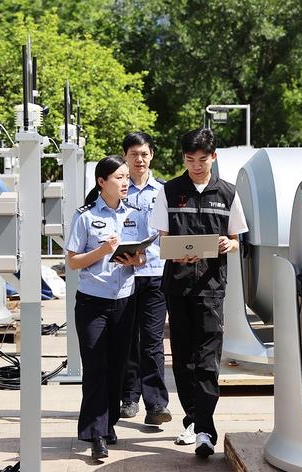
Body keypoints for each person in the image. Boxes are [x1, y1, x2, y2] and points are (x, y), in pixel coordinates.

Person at [148, 128, 248, 457]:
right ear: (183, 158)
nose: (196, 166)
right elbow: (162, 238)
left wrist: (228, 244)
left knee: (207, 360)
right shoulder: (169, 191)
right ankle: (193, 420)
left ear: (213, 157)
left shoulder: (228, 193)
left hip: (212, 287)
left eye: (202, 160)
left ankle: (204, 429)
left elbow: (236, 239)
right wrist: (176, 252)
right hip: (177, 285)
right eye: (190, 160)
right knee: (183, 359)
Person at [66, 155, 148, 460]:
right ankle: (95, 433)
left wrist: (135, 259)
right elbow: (73, 262)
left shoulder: (135, 214)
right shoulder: (85, 216)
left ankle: (108, 422)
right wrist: (102, 250)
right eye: (119, 177)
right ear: (102, 182)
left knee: (117, 367)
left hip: (124, 299)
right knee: (95, 368)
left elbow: (142, 257)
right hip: (92, 302)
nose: (125, 182)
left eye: (127, 177)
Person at [119, 132, 172, 425]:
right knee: (128, 339)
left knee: (152, 341)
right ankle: (129, 397)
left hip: (155, 274)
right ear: (125, 156)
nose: (139, 159)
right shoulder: (115, 189)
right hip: (123, 275)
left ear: (151, 155)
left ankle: (156, 404)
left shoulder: (164, 191)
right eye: (133, 154)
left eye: (144, 154)